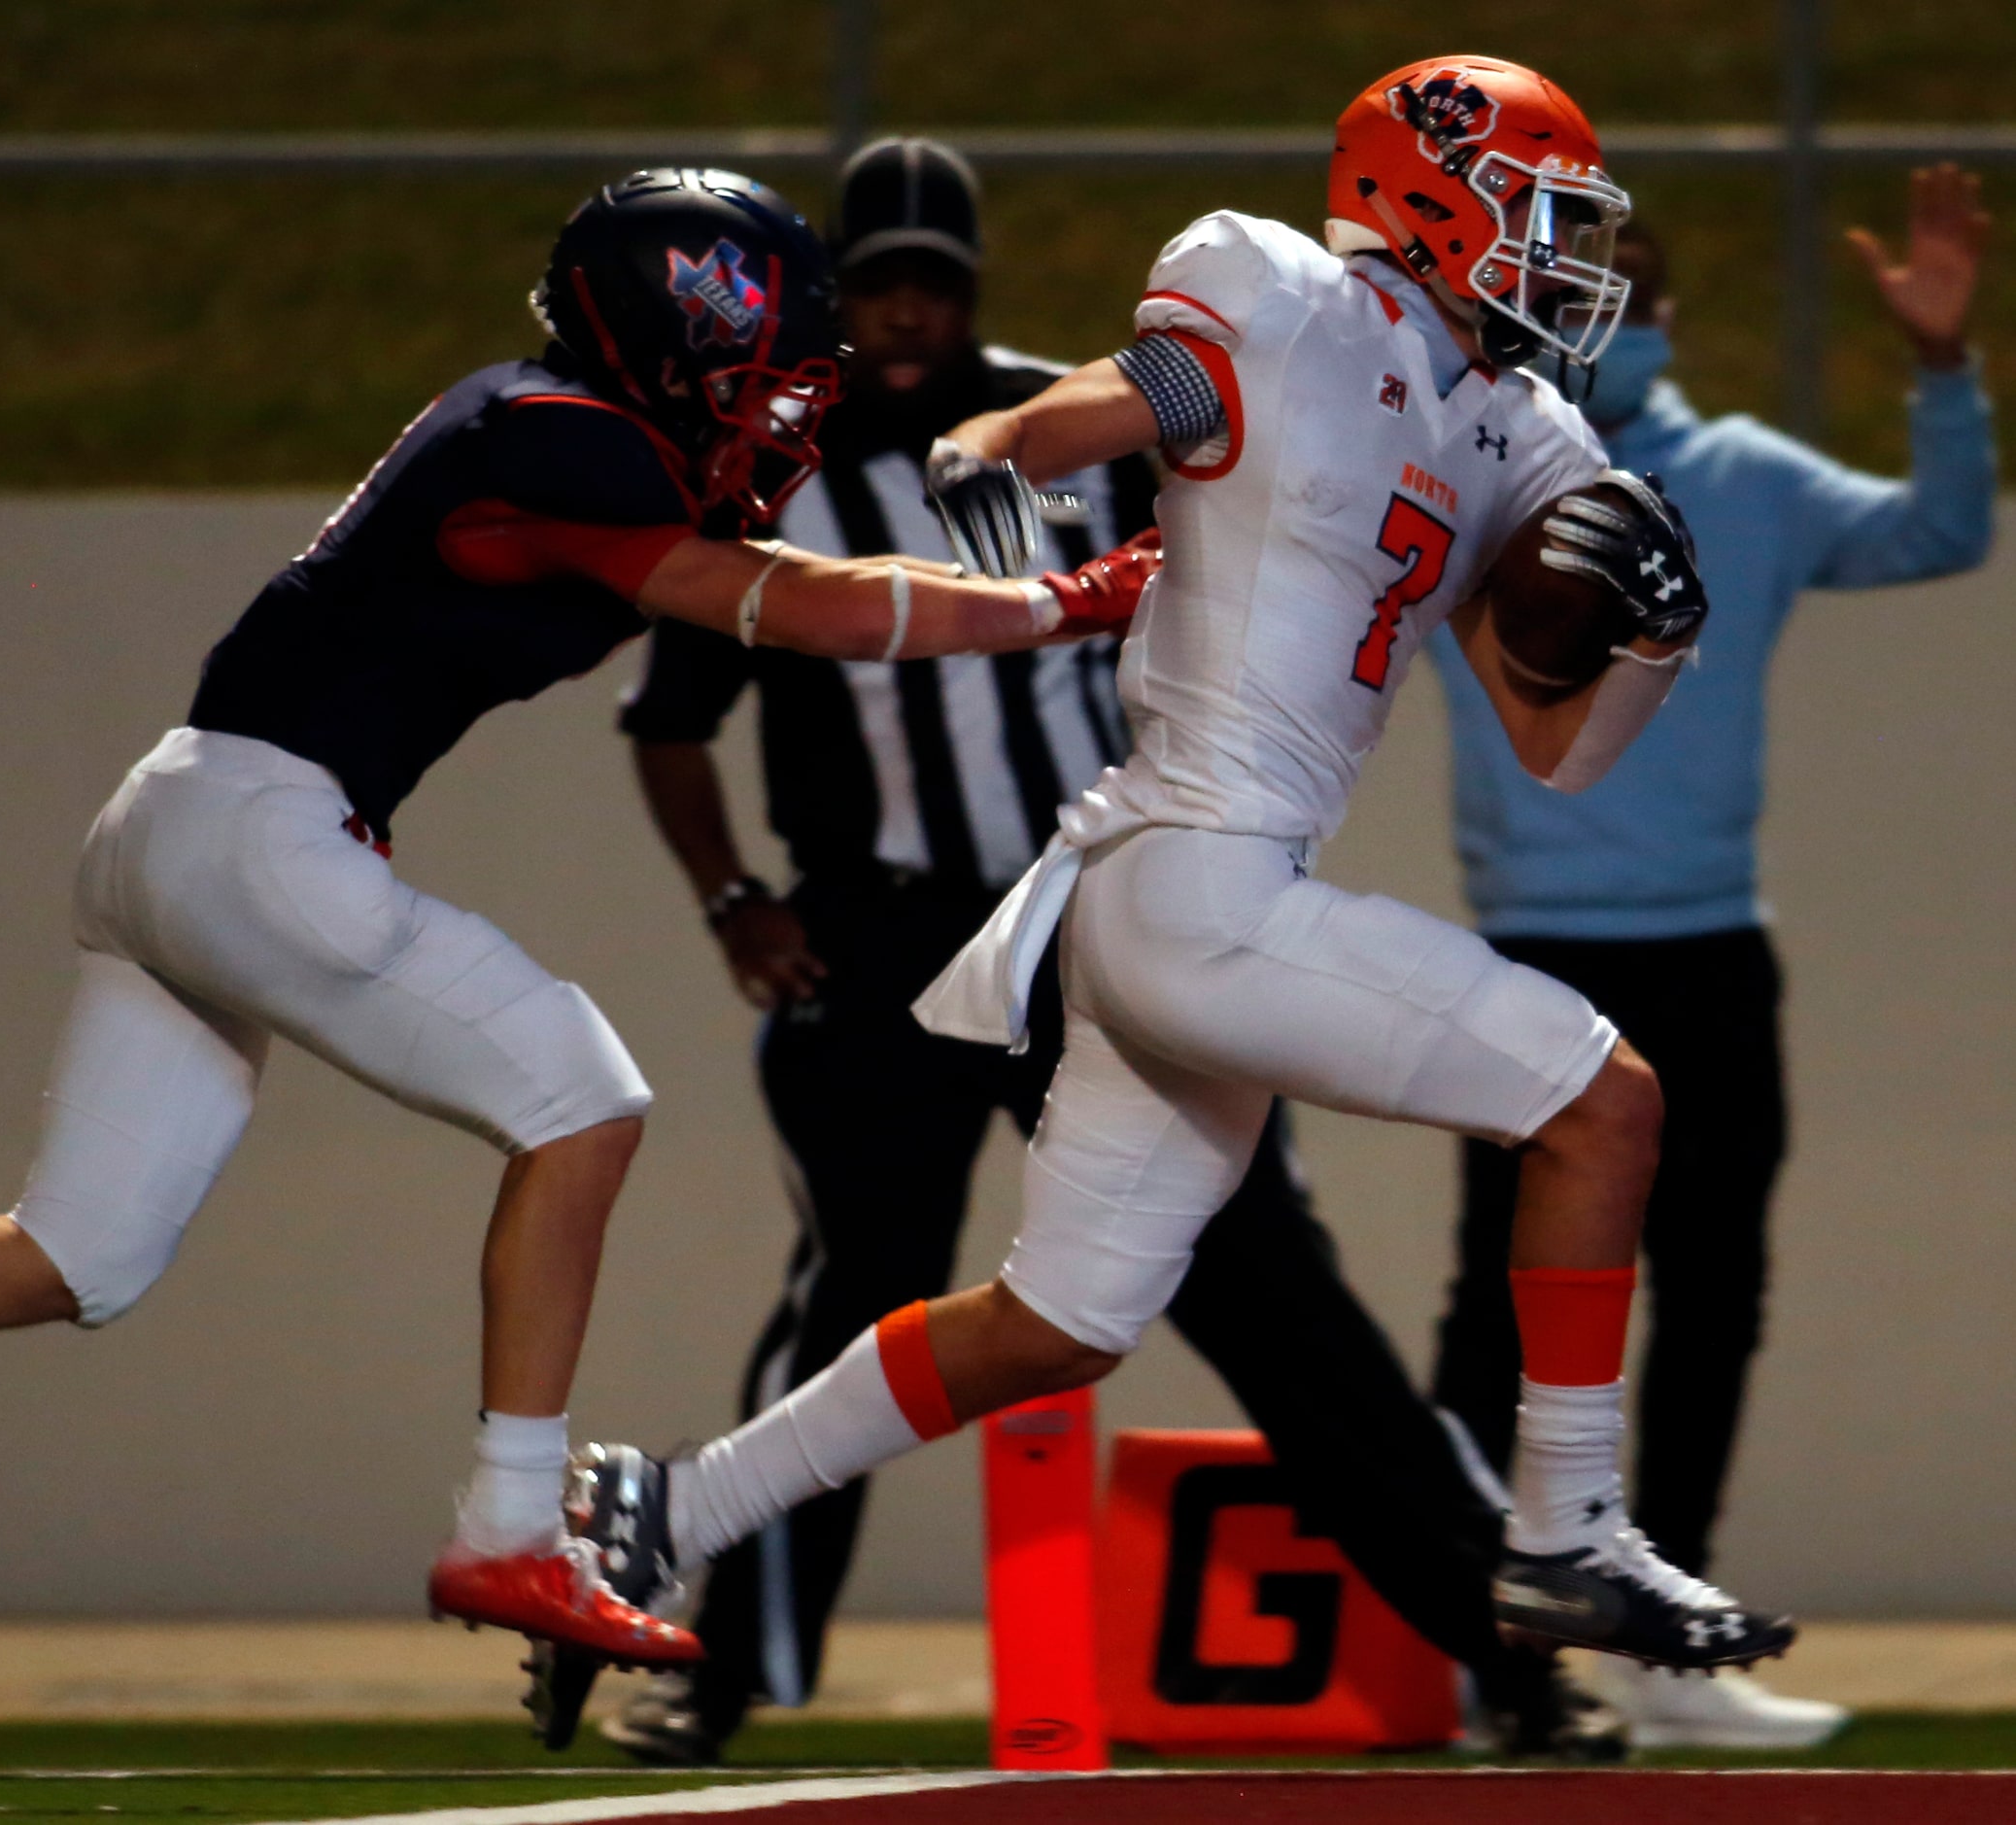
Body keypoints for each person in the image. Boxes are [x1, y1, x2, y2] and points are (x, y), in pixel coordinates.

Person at [0, 168, 1162, 1670]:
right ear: (675, 343)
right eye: (766, 370)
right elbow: (799, 606)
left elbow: (769, 570)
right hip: (259, 826)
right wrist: (1067, 599)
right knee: (583, 1097)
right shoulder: (561, 437)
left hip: (184, 827)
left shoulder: (562, 432)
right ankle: (513, 1528)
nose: (790, 405)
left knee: (76, 1249)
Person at [571, 55, 1797, 1677]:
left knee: (1059, 1323)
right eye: (1539, 215)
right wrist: (1010, 432)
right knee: (1606, 1100)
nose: (1566, 258)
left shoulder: (1522, 422)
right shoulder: (1287, 299)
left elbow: (1554, 740)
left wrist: (1652, 630)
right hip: (1196, 876)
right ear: (1428, 196)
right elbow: (1156, 391)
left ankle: (669, 1504)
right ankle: (1568, 1530)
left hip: (1180, 908)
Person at [1428, 166, 1996, 1747]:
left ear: (1662, 325)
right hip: (1532, 946)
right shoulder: (1477, 480)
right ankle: (1497, 1657)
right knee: (1500, 1310)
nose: (1594, 342)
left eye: (1622, 309)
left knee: (1714, 1295)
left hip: (1709, 945)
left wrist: (1942, 367)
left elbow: (1939, 532)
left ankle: (1658, 1641)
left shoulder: (1744, 477)